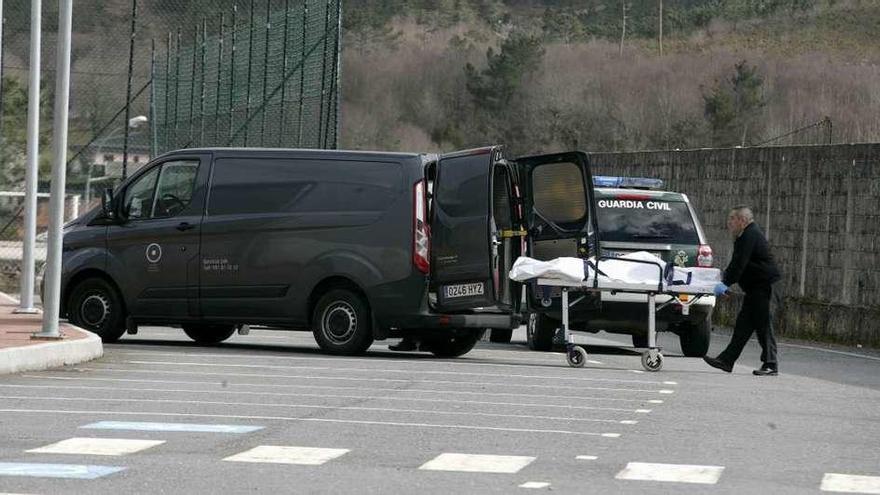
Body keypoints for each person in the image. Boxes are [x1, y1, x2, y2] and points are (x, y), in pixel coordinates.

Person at [704, 206, 782, 376]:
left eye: (732, 219)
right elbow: (736, 263)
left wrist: (725, 283)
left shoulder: (750, 234)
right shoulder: (744, 236)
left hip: (765, 286)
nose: (729, 222)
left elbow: (740, 263)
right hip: (755, 288)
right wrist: (725, 281)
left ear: (742, 220)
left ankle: (771, 364)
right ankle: (726, 360)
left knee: (763, 325)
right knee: (743, 325)